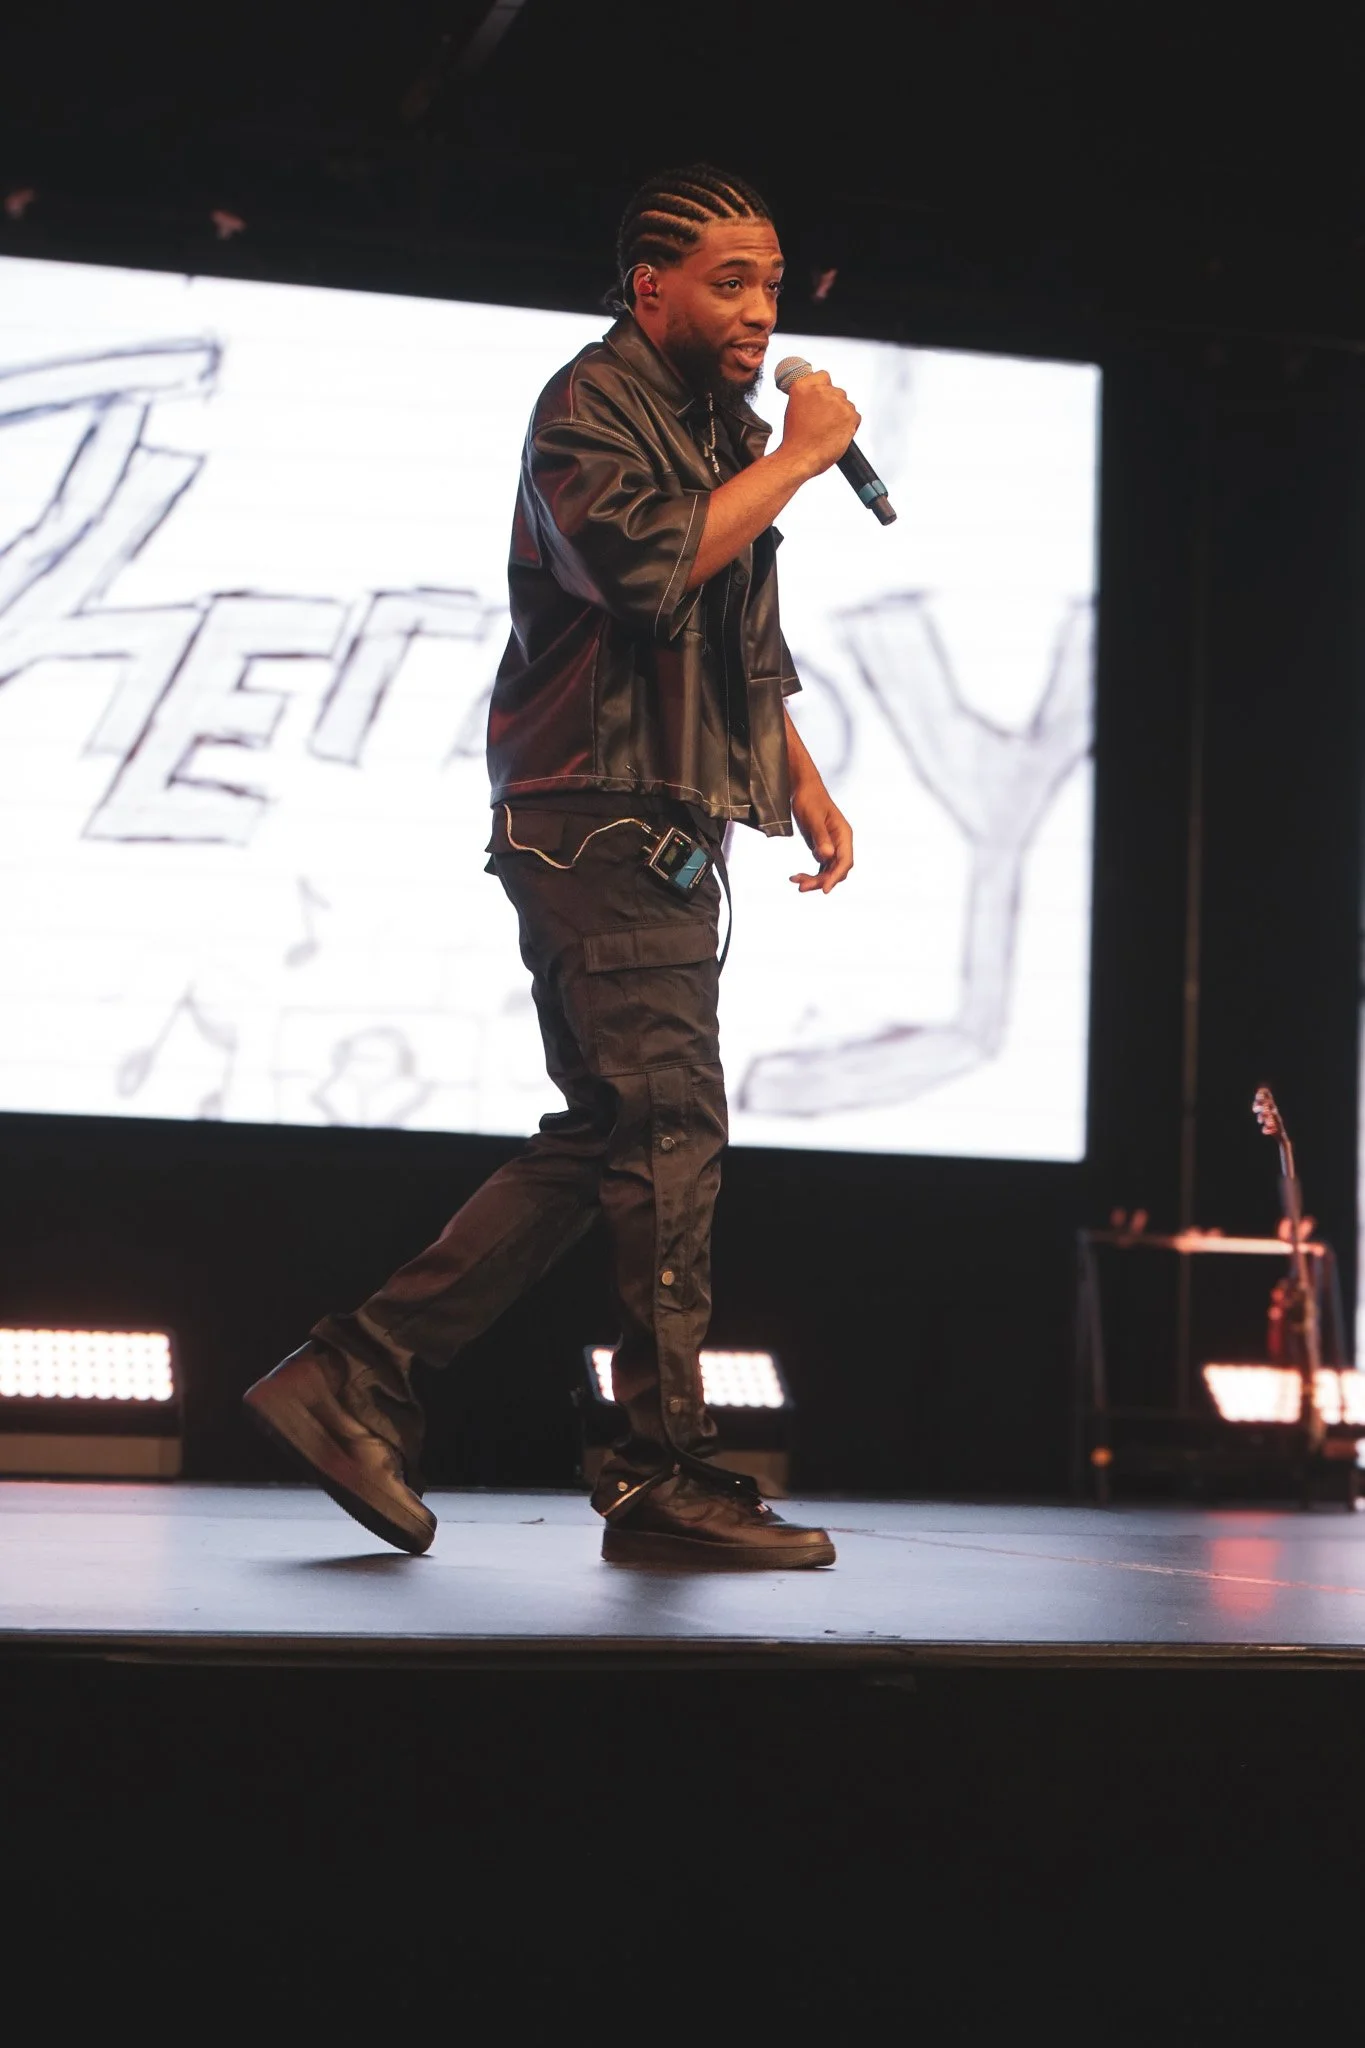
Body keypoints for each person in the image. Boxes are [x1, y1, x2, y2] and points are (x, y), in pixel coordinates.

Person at [244, 164, 858, 1569]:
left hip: (658, 815)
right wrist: (804, 457)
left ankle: (354, 1378)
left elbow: (730, 641)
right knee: (669, 1135)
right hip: (594, 815)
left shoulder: (721, 425)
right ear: (651, 288)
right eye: (731, 281)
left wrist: (802, 780)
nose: (764, 307)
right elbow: (648, 574)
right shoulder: (591, 406)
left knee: (615, 1136)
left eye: (773, 280)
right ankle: (661, 1476)